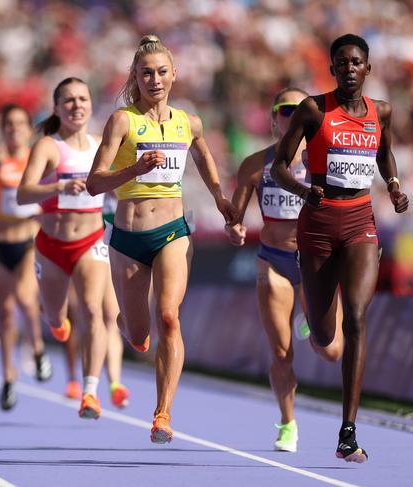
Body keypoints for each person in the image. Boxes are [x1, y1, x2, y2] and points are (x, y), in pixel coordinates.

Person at [86, 34, 238, 443]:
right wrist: (132, 171)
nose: (155, 80)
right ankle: (127, 322)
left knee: (169, 316)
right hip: (129, 238)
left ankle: (163, 414)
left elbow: (203, 157)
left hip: (172, 231)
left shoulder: (188, 122)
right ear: (135, 77)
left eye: (162, 72)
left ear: (175, 75)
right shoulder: (123, 121)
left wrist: (222, 199)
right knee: (138, 336)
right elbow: (93, 183)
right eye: (146, 73)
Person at [270, 34, 409, 462]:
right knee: (325, 332)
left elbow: (385, 156)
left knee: (358, 318)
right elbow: (278, 166)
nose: (349, 68)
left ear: (368, 68)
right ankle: (312, 318)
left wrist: (393, 184)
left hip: (360, 223)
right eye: (341, 63)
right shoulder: (314, 109)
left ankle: (348, 431)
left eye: (356, 62)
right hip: (317, 224)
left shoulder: (380, 112)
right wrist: (302, 189)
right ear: (332, 69)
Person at [226, 87, 344, 452]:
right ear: (274, 117)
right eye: (285, 109)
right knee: (280, 353)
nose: (292, 115)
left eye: (300, 109)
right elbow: (235, 216)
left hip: (316, 261)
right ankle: (288, 423)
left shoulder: (325, 161)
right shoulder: (255, 164)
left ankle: (311, 319)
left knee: (331, 351)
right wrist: (235, 228)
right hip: (273, 261)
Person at [17, 77, 109, 420]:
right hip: (52, 244)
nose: (76, 105)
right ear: (56, 108)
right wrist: (60, 186)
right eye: (68, 100)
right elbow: (23, 194)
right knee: (56, 317)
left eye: (82, 99)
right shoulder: (48, 147)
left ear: (90, 104)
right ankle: (57, 326)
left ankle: (89, 392)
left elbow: (116, 185)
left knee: (92, 310)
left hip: (90, 240)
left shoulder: (103, 145)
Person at [0, 104, 52, 411]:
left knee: (27, 300)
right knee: (4, 317)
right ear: (3, 129)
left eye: (20, 124)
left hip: (27, 244)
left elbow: (51, 196)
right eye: (9, 125)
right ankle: (8, 377)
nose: (15, 130)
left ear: (28, 128)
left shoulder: (38, 159)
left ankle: (37, 349)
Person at [64, 191, 130, 408]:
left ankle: (115, 384)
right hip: (85, 249)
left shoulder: (124, 170)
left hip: (111, 248)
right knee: (85, 316)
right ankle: (77, 378)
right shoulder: (86, 169)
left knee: (111, 316)